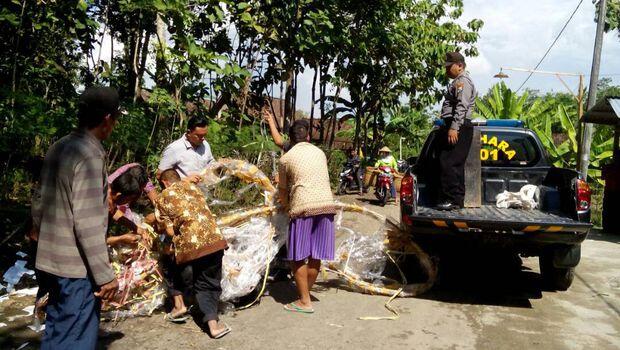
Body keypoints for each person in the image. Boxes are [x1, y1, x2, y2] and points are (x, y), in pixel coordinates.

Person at [34, 86, 121, 349]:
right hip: (75, 268)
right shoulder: (90, 155)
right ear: (107, 120)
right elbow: (88, 223)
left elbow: (38, 202)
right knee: (75, 338)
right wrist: (105, 274)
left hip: (49, 260)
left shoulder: (59, 146)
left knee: (58, 331)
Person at [155, 168, 231, 338]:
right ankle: (214, 325)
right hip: (215, 241)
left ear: (165, 183)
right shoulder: (193, 188)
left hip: (191, 247)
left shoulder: (163, 197)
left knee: (169, 265)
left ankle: (179, 305)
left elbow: (168, 232)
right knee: (209, 282)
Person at [278, 120, 337, 314]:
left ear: (290, 139)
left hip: (303, 207)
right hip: (326, 205)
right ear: (309, 137)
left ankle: (304, 301)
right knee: (315, 254)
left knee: (297, 257)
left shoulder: (286, 158)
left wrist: (285, 206)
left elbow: (283, 189)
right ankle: (306, 295)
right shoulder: (320, 153)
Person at [437, 51, 476, 210]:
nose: (446, 70)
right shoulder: (458, 81)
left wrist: (454, 127)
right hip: (456, 124)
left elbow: (462, 105)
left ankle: (453, 199)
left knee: (449, 163)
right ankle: (456, 200)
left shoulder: (463, 82)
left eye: (449, 66)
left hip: (458, 125)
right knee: (453, 164)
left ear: (459, 66)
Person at [157, 116, 215, 183]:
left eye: (204, 135)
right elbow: (160, 175)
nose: (203, 138)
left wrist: (220, 166)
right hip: (182, 191)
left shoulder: (205, 144)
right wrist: (185, 180)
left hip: (204, 191)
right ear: (189, 132)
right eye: (199, 136)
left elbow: (211, 163)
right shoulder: (174, 148)